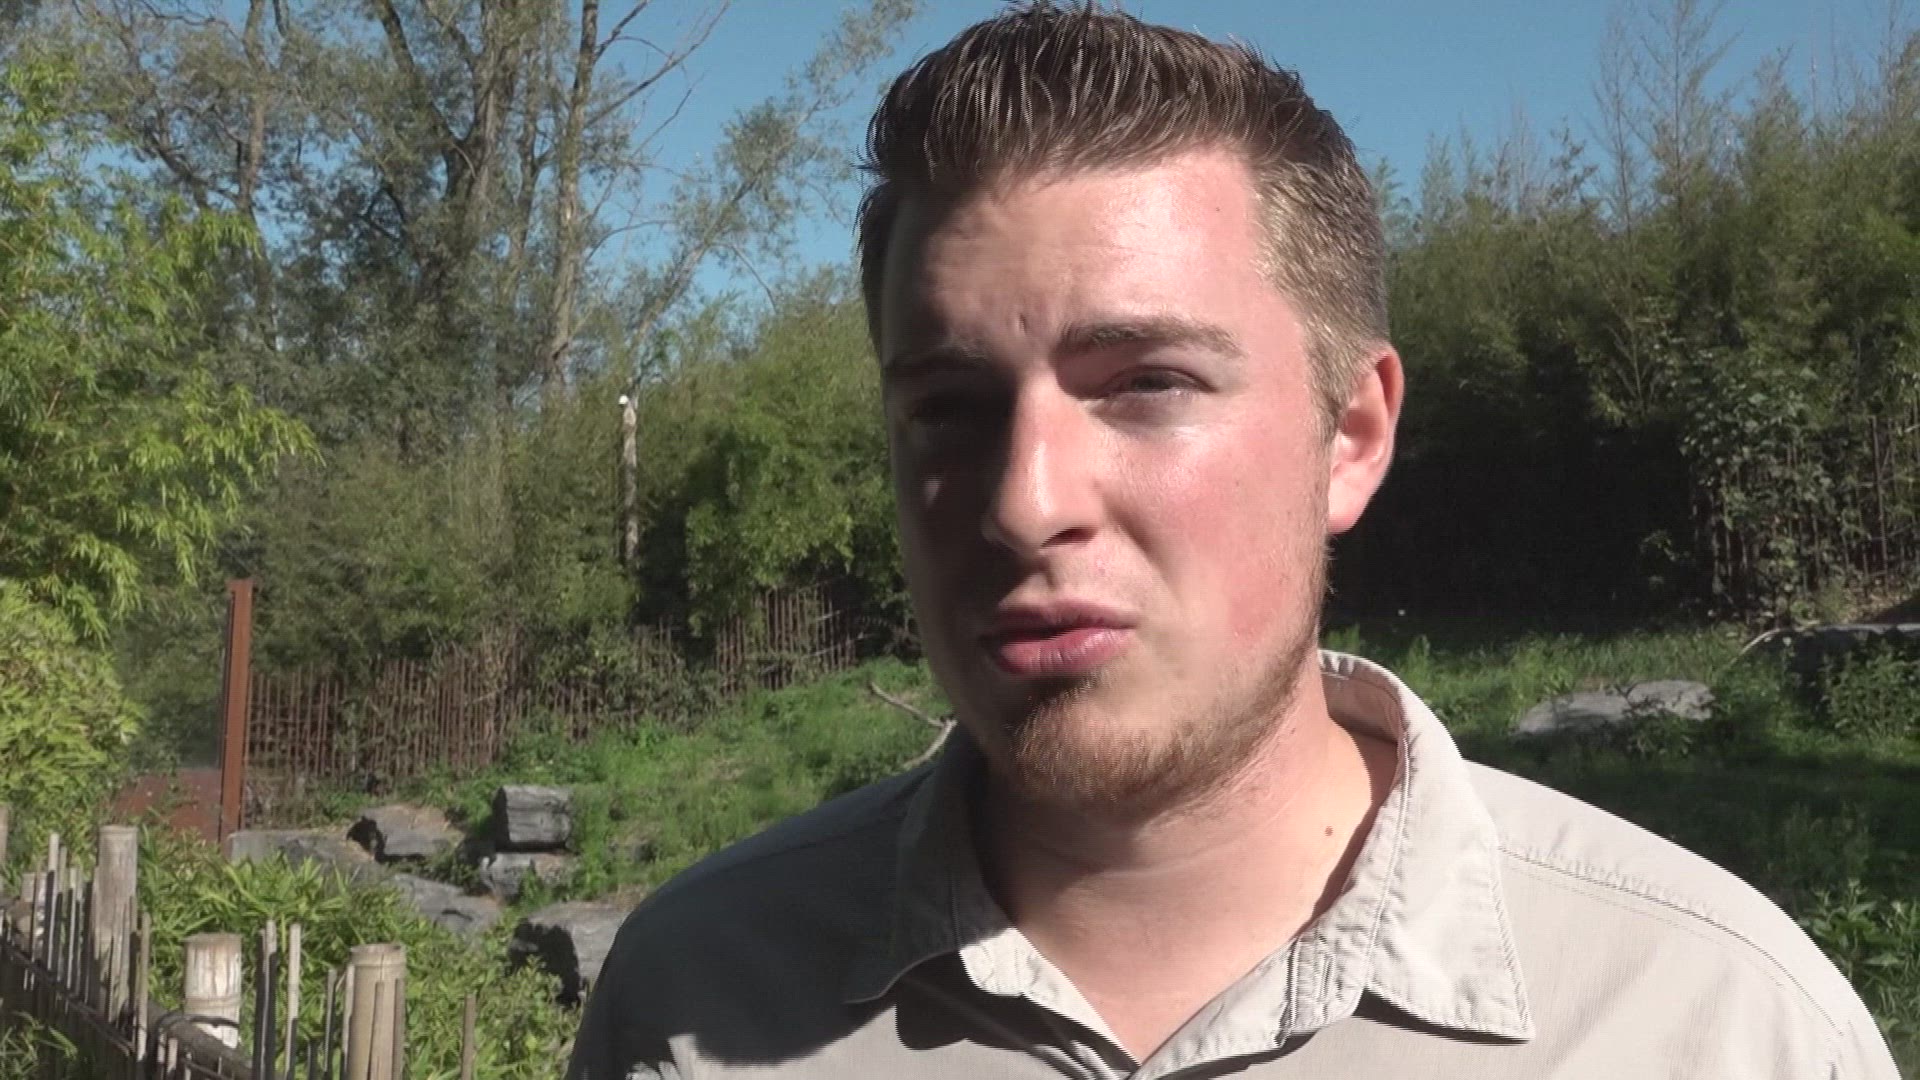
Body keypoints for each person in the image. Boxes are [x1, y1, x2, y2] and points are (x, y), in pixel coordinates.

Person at [568, 5, 1900, 1077]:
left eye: (1147, 383)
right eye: (951, 409)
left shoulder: (1716, 1025)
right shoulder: (693, 1006)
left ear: (1351, 435)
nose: (1025, 501)